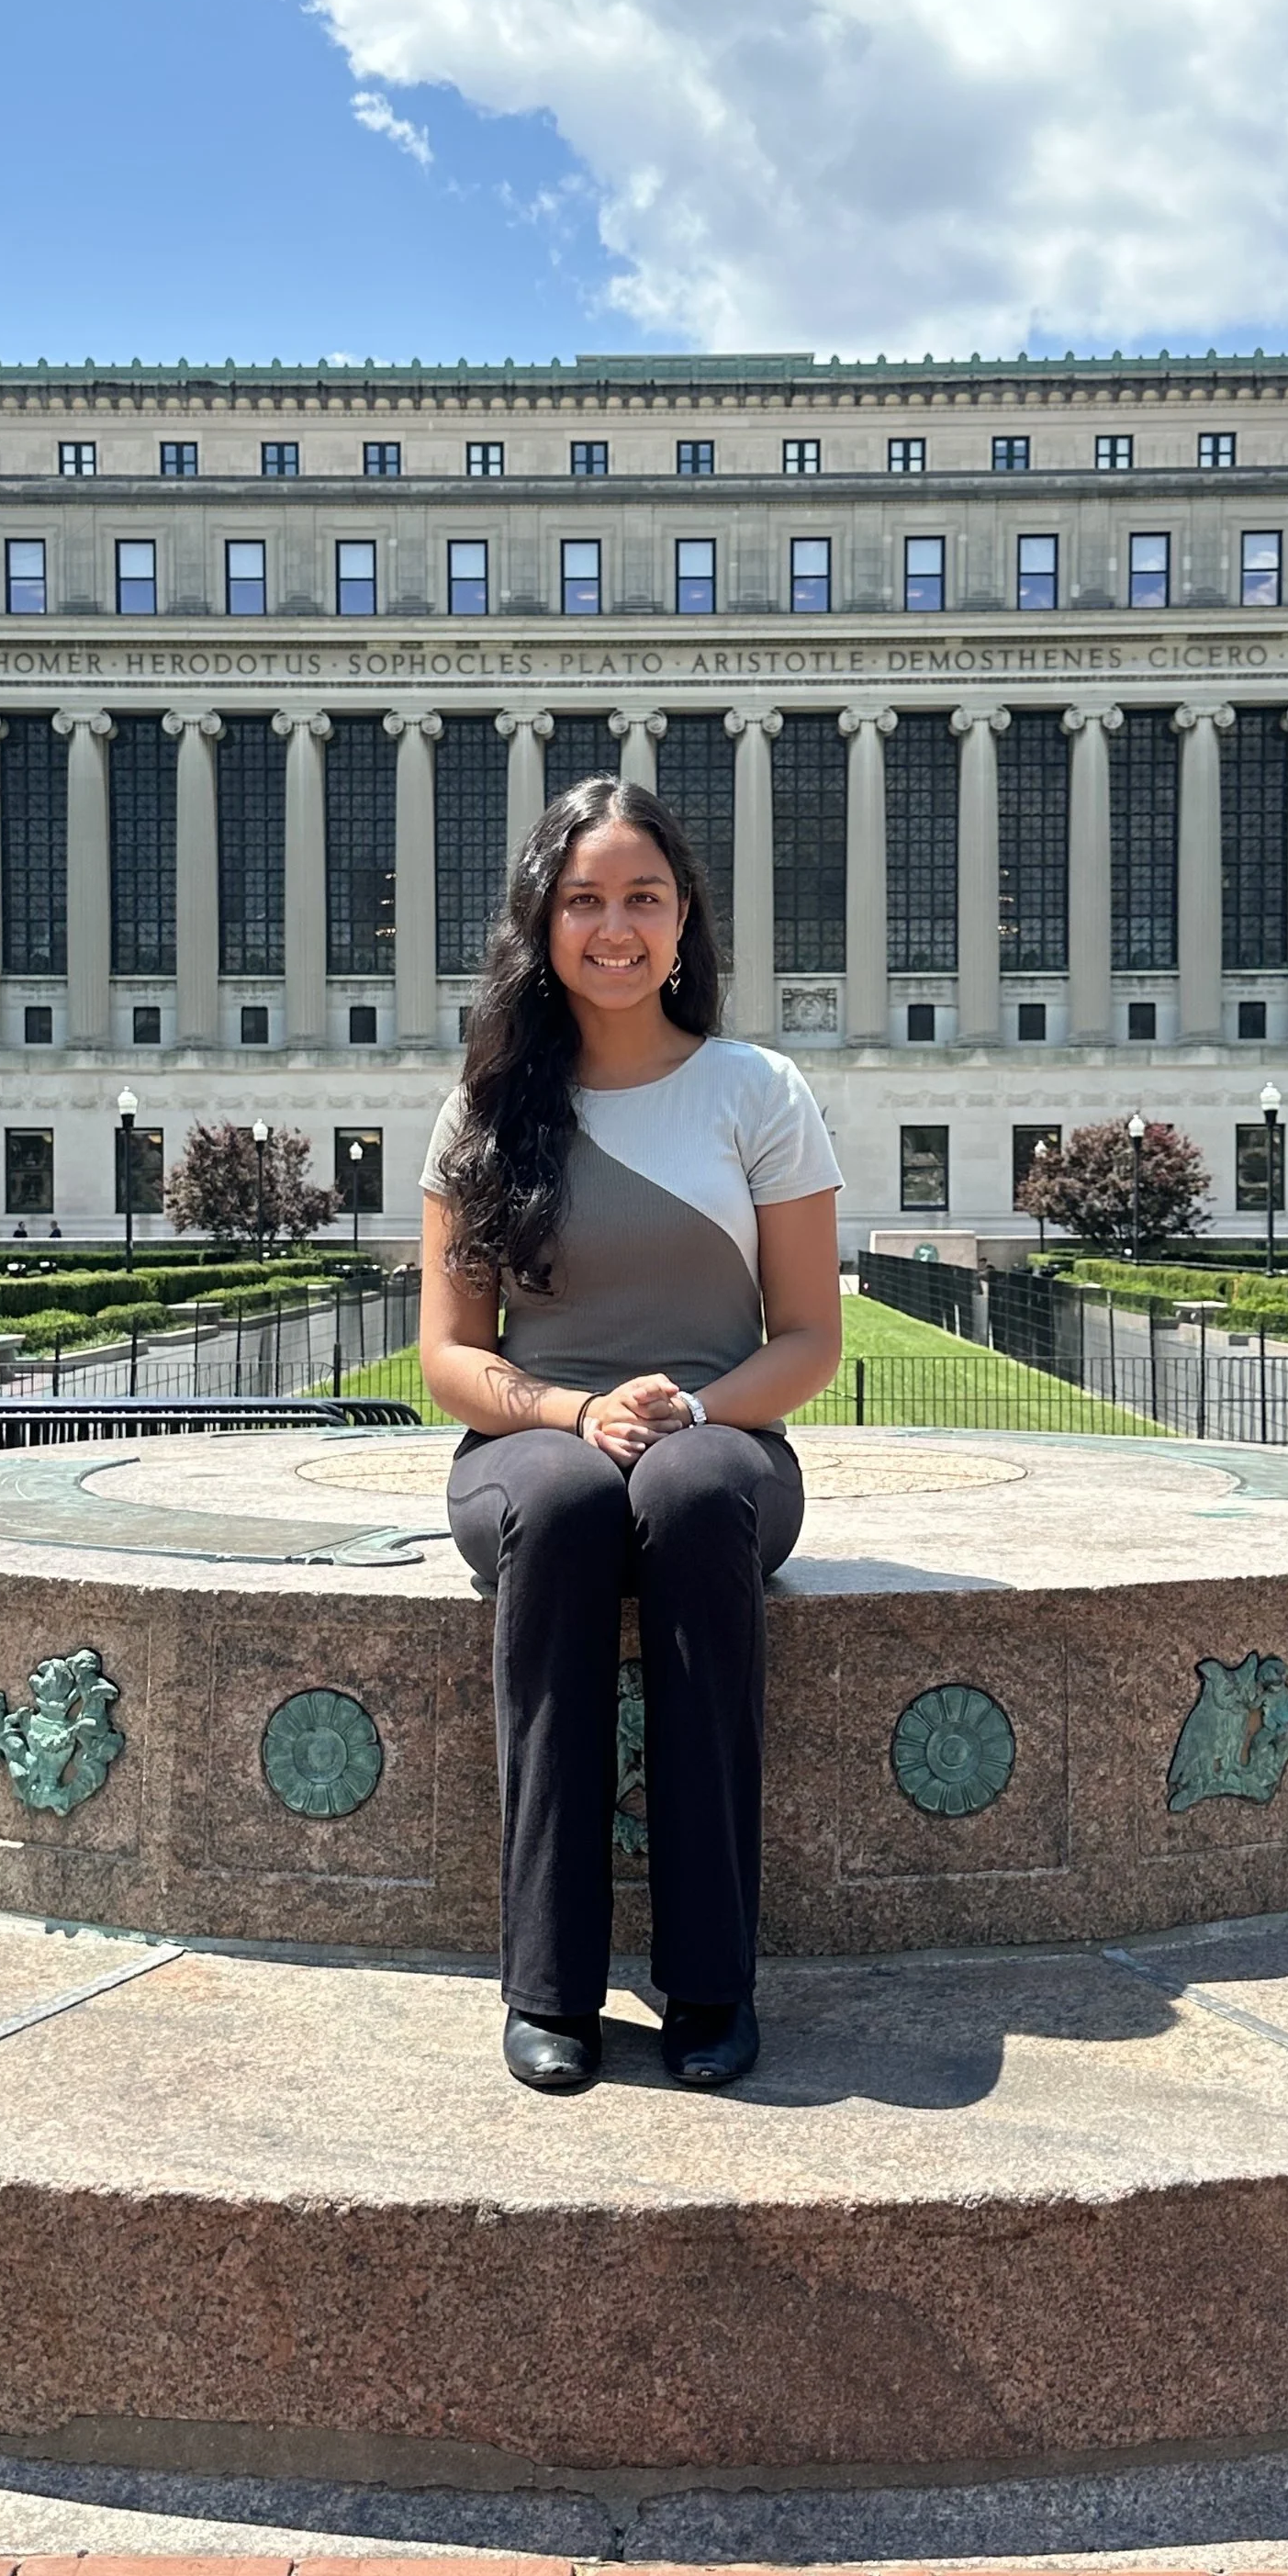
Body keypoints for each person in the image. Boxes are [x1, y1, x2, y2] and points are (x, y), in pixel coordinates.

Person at [420, 779, 843, 2098]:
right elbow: (451, 1354)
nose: (615, 927)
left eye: (643, 899)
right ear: (542, 923)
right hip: (531, 1443)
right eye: (585, 900)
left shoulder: (756, 1090)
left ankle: (712, 1979)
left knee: (696, 1490)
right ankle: (549, 1985)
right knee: (564, 1507)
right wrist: (569, 1414)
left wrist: (696, 1408)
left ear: (683, 922)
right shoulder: (487, 1107)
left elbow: (810, 1336)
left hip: (719, 1437)